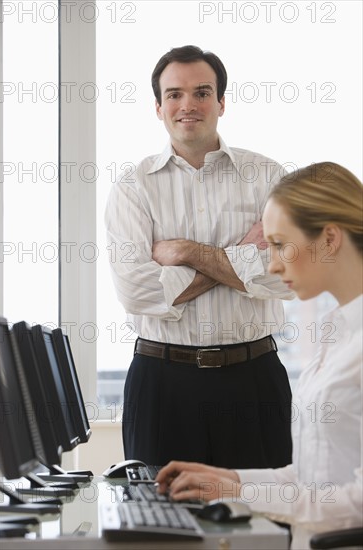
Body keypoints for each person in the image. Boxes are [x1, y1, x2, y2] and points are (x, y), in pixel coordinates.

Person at [155, 161, 363, 550]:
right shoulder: (335, 333)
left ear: (330, 238)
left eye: (281, 244)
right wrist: (230, 481)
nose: (271, 264)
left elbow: (358, 504)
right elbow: (309, 478)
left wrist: (242, 493)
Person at [105, 45, 295, 468]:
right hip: (161, 384)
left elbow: (287, 278)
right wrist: (243, 257)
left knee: (262, 521)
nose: (187, 104)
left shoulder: (268, 178)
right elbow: (139, 293)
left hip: (254, 378)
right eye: (174, 94)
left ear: (221, 102)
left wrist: (185, 253)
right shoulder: (133, 189)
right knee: (160, 526)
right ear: (158, 107)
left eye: (202, 92)